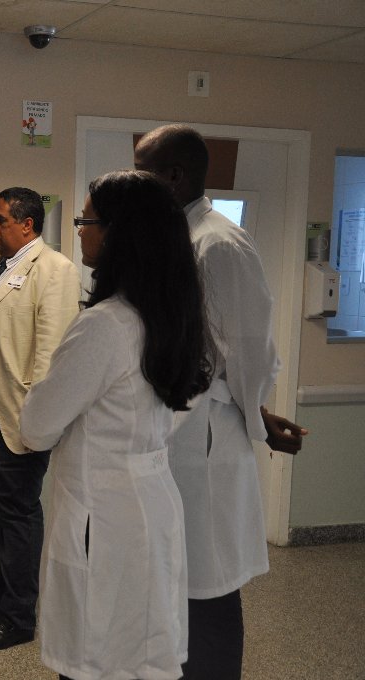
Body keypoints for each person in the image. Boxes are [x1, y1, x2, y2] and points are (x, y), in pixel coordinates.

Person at [20, 170, 214, 680]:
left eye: (87, 221)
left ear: (118, 234)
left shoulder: (104, 325)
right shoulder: (170, 318)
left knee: (96, 655)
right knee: (139, 653)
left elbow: (36, 427)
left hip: (102, 516)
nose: (81, 231)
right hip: (150, 501)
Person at [134, 124, 308, 679]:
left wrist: (255, 415)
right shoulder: (176, 239)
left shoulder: (219, 244)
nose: (135, 182)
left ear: (174, 176)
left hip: (206, 433)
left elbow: (251, 349)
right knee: (178, 575)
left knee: (207, 583)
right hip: (177, 427)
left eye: (142, 172)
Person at [0, 187, 81, 650]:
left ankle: (19, 617)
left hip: (19, 415)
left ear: (27, 225)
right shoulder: (1, 268)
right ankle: (6, 592)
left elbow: (52, 355)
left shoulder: (55, 270)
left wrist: (37, 422)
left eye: (0, 219)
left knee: (18, 511)